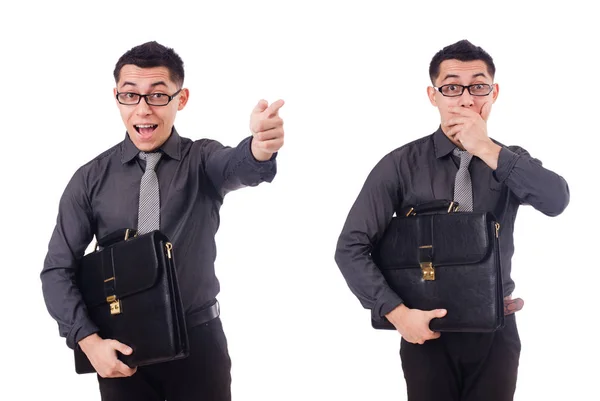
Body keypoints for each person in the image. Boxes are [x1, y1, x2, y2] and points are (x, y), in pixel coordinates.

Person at [41, 41, 284, 401]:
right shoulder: (89, 179)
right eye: (130, 95)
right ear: (117, 97)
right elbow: (58, 269)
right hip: (120, 344)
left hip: (198, 343)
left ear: (180, 99)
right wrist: (88, 342)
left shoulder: (202, 159)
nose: (143, 109)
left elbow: (239, 165)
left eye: (157, 96)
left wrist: (260, 147)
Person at [334, 39, 569, 401]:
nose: (465, 99)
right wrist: (397, 314)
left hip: (497, 329)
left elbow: (556, 200)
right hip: (427, 329)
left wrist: (487, 150)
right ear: (433, 95)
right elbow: (351, 247)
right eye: (451, 87)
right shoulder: (401, 164)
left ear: (494, 93)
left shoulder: (509, 160)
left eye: (478, 86)